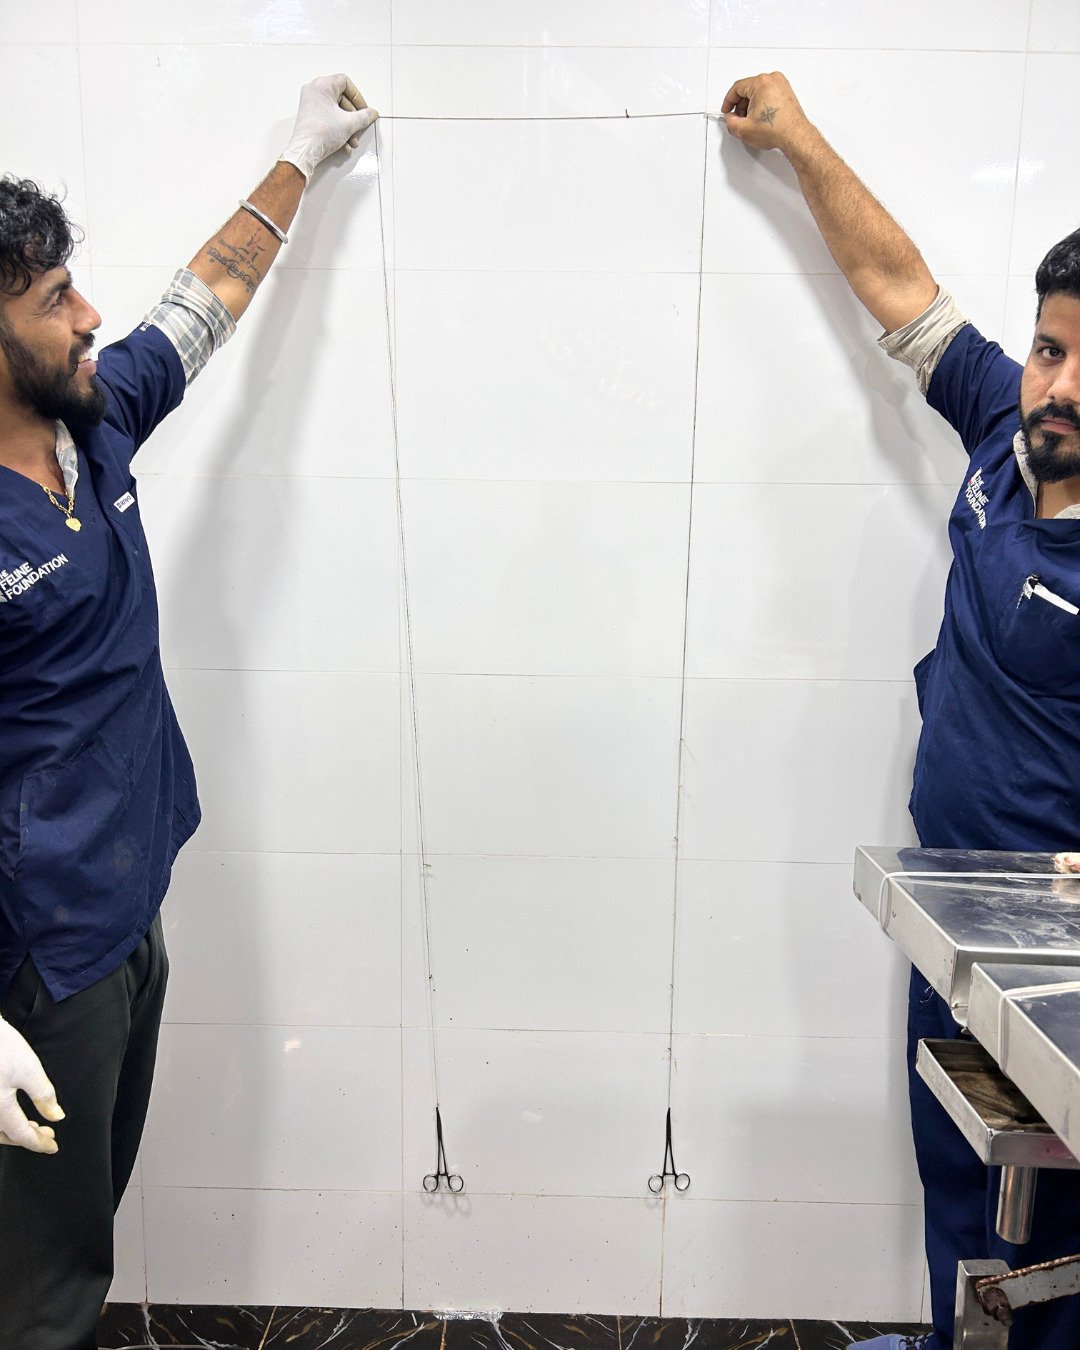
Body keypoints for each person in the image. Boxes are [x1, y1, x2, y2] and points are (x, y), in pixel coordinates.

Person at [0, 74, 377, 1350]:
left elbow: (204, 298)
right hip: (34, 962)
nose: (90, 317)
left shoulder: (91, 423)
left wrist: (302, 158)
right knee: (40, 1282)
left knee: (82, 1223)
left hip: (126, 912)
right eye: (54, 301)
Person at [723, 71, 1080, 1350]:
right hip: (950, 916)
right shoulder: (1003, 437)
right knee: (957, 1181)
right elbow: (900, 286)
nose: (1059, 384)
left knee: (1051, 1233)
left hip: (1059, 967)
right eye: (1052, 349)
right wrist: (796, 139)